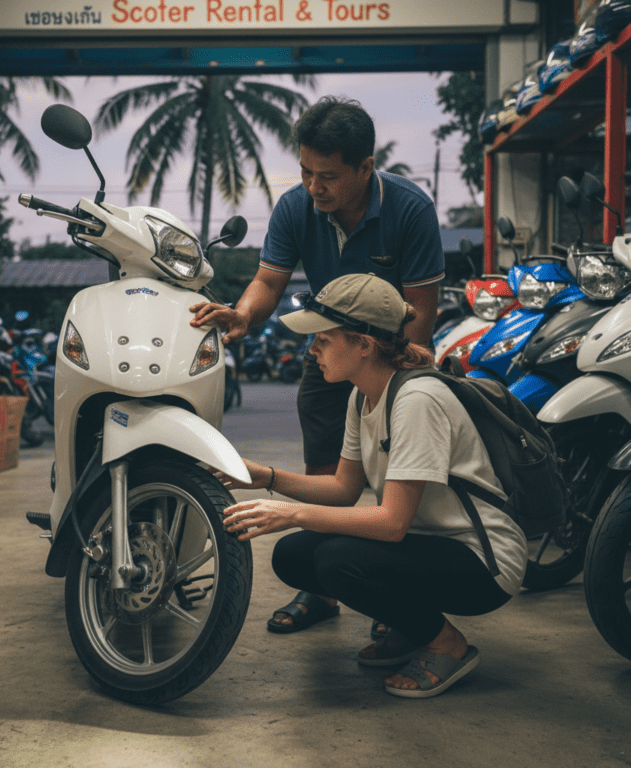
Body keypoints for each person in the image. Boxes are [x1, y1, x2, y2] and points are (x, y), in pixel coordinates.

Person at [190, 96, 445, 631]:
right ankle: (322, 591)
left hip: (394, 358)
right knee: (329, 471)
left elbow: (420, 309)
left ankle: (393, 599)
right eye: (306, 172)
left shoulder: (410, 208)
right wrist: (242, 315)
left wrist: (401, 386)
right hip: (333, 352)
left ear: (365, 167)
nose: (313, 187)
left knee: (399, 482)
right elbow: (268, 281)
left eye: (327, 176)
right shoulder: (294, 208)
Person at [216, 273, 528, 698]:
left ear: (363, 344)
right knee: (294, 555)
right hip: (427, 543)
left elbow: (392, 523)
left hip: (482, 561)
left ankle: (446, 644)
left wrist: (290, 514)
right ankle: (411, 625)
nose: (313, 350)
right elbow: (344, 488)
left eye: (323, 340)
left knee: (336, 559)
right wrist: (266, 478)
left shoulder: (418, 400)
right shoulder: (362, 395)